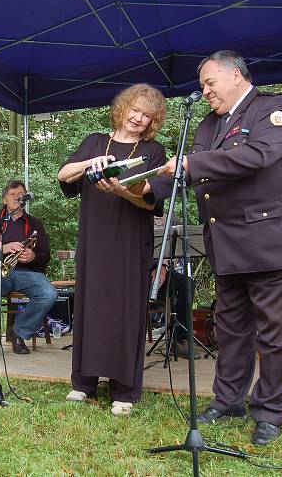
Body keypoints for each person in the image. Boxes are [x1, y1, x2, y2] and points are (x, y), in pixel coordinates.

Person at [145, 50, 282, 445]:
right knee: (232, 329)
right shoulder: (208, 125)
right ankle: (228, 400)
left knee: (277, 332)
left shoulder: (272, 109)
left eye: (209, 83)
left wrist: (189, 164)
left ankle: (271, 411)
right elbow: (192, 173)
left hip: (272, 241)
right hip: (227, 243)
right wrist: (145, 188)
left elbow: (257, 156)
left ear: (235, 75)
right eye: (202, 86)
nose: (204, 91)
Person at [57, 83, 167, 416]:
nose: (138, 119)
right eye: (135, 110)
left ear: (153, 122)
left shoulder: (153, 151)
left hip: (131, 242)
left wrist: (122, 192)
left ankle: (125, 389)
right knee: (90, 307)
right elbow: (64, 175)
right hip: (95, 241)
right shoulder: (94, 141)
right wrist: (93, 162)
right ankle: (83, 383)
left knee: (125, 310)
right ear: (122, 108)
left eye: (146, 116)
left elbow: (151, 205)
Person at [0, 180, 58, 363]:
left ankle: (18, 332)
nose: (17, 197)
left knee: (49, 293)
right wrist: (3, 248)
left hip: (27, 273)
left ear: (25, 199)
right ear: (4, 199)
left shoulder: (35, 224)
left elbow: (46, 255)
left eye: (21, 194)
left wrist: (33, 256)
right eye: (12, 194)